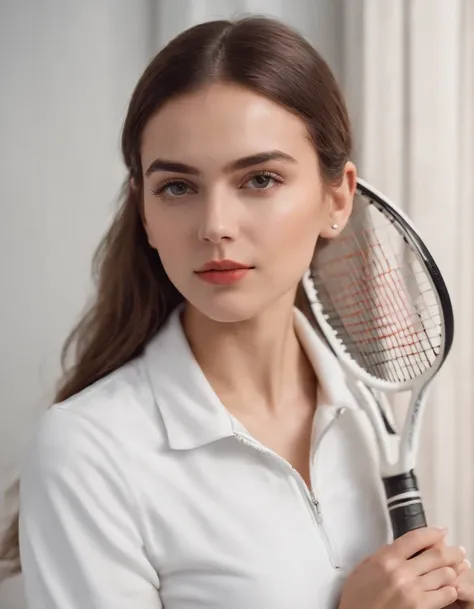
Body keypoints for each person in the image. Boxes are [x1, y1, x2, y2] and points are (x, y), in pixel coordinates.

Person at [1, 15, 472, 609]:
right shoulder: (88, 450)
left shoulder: (363, 410)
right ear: (143, 211)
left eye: (260, 179)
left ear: (338, 198)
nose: (215, 226)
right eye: (177, 187)